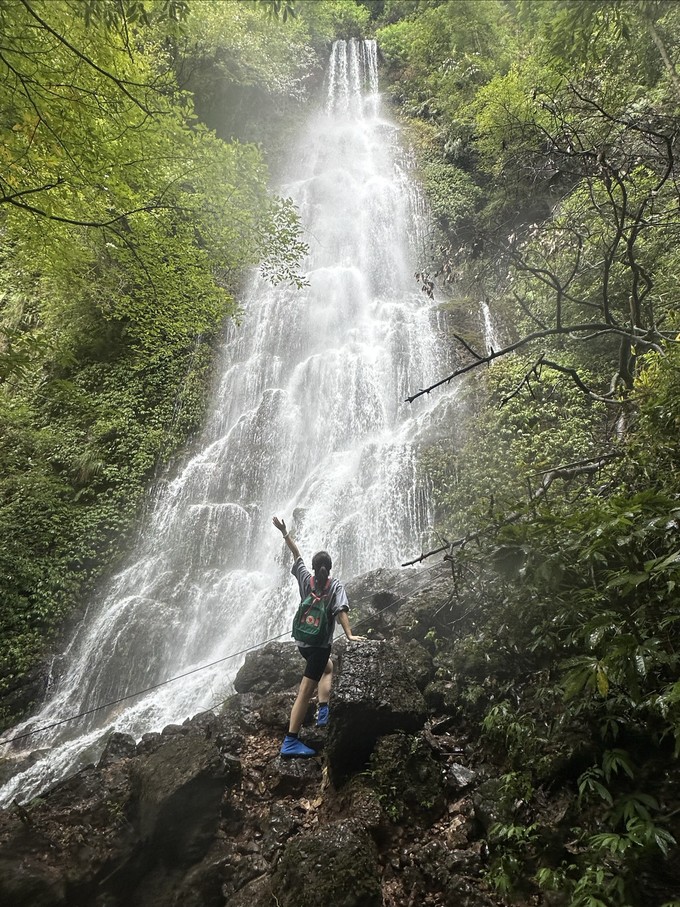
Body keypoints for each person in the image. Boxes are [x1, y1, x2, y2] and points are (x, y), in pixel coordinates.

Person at [273, 515, 364, 757]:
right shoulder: (334, 586)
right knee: (305, 691)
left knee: (328, 668)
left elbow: (296, 554)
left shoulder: (305, 578)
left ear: (313, 568)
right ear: (330, 568)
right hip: (320, 646)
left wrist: (284, 532)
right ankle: (290, 741)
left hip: (303, 642)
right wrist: (350, 635)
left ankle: (324, 710)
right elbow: (341, 611)